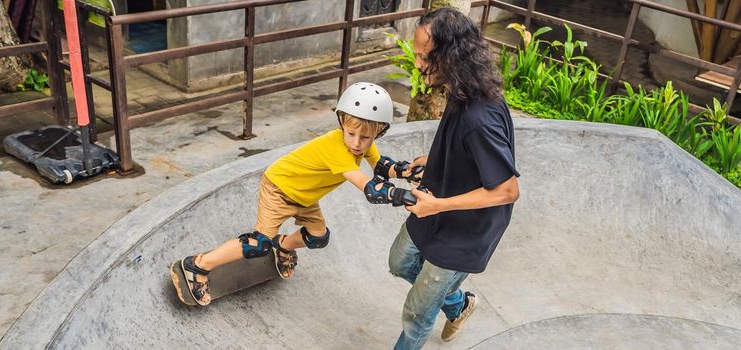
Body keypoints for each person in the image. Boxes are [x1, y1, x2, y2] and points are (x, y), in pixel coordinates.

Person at [170, 82, 419, 306]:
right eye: (350, 133)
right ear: (342, 123)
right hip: (279, 188)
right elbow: (369, 187)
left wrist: (409, 172)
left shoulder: (366, 145)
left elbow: (382, 168)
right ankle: (198, 265)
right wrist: (401, 196)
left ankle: (283, 246)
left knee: (318, 237)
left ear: (378, 133)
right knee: (258, 244)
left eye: (365, 137)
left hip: (304, 197)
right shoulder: (336, 148)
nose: (356, 142)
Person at [388, 8, 520, 349]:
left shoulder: (480, 118)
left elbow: (507, 189)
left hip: (466, 229)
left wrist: (439, 205)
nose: (417, 63)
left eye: (423, 56)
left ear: (449, 55)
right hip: (439, 205)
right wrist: (436, 158)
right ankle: (458, 305)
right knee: (400, 261)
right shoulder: (461, 87)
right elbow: (467, 150)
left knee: (418, 311)